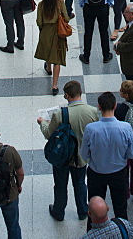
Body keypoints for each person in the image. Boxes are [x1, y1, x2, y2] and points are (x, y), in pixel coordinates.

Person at [38, 80, 99, 222]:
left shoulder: (60, 114)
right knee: (80, 183)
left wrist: (42, 123)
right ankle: (83, 211)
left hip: (62, 157)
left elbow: (48, 134)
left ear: (66, 95)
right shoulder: (93, 112)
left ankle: (59, 211)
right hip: (81, 157)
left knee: (60, 185)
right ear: (80, 93)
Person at [81, 91, 133, 224]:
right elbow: (132, 154)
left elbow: (84, 154)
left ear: (99, 107)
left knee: (94, 210)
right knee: (121, 210)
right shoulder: (125, 127)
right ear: (115, 106)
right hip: (119, 174)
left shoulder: (91, 129)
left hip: (96, 174)